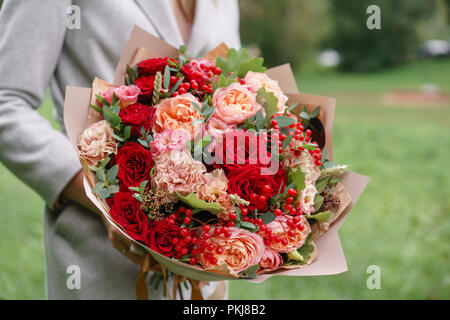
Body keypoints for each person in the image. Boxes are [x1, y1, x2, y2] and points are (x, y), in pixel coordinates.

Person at [0, 0, 240, 299]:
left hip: (205, 276)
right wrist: (102, 197)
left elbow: (232, 94)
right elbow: (6, 104)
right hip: (101, 261)